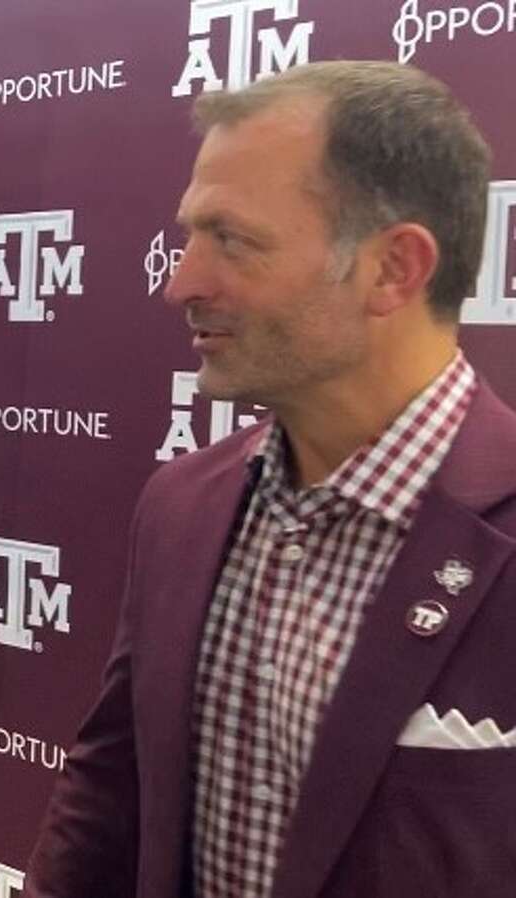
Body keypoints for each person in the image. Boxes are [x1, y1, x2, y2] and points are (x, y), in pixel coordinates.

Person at [26, 61, 516, 898]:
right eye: (190, 236)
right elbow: (109, 798)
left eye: (233, 240)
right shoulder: (181, 507)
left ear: (394, 269)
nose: (182, 281)